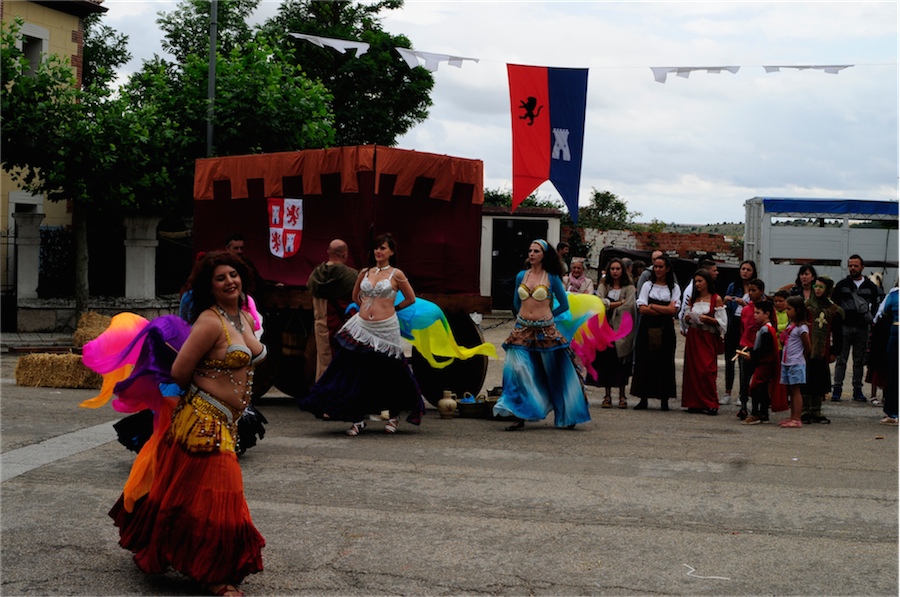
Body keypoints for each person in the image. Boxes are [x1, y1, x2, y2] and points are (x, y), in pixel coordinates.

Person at [109, 251, 267, 597]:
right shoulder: (209, 322)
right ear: (210, 287)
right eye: (220, 278)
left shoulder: (243, 317)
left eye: (233, 275)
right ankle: (212, 574)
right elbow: (180, 371)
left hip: (228, 420)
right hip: (203, 420)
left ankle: (186, 553)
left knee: (193, 494)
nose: (229, 282)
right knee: (221, 494)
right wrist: (206, 385)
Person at [298, 233, 424, 435]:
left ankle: (393, 416)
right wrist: (366, 306)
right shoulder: (365, 272)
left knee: (390, 372)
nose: (378, 251)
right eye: (376, 248)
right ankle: (357, 417)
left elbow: (411, 298)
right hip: (363, 326)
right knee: (355, 370)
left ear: (391, 252)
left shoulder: (396, 274)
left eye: (382, 248)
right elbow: (355, 296)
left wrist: (393, 309)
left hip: (386, 328)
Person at [493, 239, 590, 431]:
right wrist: (523, 317)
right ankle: (519, 414)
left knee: (557, 372)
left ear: (544, 255)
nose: (532, 254)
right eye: (530, 250)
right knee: (517, 369)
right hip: (522, 330)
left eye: (536, 251)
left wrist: (547, 316)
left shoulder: (551, 277)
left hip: (546, 331)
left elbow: (564, 305)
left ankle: (568, 414)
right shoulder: (521, 276)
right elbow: (516, 302)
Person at [631, 255, 681, 411]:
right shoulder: (647, 285)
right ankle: (643, 398)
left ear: (667, 269)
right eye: (656, 267)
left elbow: (673, 310)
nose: (658, 270)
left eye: (661, 267)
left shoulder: (674, 288)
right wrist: (663, 309)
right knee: (645, 360)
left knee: (664, 361)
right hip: (646, 327)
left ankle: (664, 399)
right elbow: (642, 308)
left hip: (665, 328)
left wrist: (653, 306)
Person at [831, 255, 881, 402]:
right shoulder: (842, 285)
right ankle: (837, 389)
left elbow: (877, 305)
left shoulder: (870, 287)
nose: (852, 268)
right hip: (844, 326)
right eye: (850, 265)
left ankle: (857, 390)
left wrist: (870, 318)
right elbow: (834, 305)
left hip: (862, 327)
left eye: (856, 265)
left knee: (859, 361)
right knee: (841, 360)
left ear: (862, 267)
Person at [307, 239, 359, 381]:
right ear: (345, 254)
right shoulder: (352, 276)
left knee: (324, 363)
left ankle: (323, 392)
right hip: (344, 329)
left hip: (321, 327)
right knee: (344, 366)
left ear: (328, 252)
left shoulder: (315, 276)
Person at [591, 257, 636, 409]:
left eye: (618, 269)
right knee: (606, 363)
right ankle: (607, 395)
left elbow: (629, 306)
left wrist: (610, 305)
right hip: (605, 330)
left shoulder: (629, 288)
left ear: (622, 270)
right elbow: (599, 303)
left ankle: (622, 395)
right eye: (612, 269)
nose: (615, 272)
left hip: (622, 331)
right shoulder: (604, 286)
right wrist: (618, 303)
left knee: (621, 363)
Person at [680, 269, 727, 416]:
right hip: (694, 336)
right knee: (692, 370)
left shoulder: (716, 299)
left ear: (707, 282)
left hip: (707, 337)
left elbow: (723, 323)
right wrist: (687, 319)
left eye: (700, 281)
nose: (697, 284)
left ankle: (711, 402)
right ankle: (694, 402)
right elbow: (685, 318)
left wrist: (709, 319)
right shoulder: (693, 299)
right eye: (696, 281)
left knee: (707, 370)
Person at [802, 276, 843, 424]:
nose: (818, 290)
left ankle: (816, 410)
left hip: (823, 351)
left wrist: (834, 351)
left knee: (819, 379)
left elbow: (838, 333)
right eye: (816, 287)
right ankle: (804, 410)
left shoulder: (834, 310)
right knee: (806, 378)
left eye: (821, 287)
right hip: (806, 350)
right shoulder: (806, 306)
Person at [721, 260, 758, 406]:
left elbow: (758, 307)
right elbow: (724, 306)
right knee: (730, 359)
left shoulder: (755, 287)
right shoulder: (733, 286)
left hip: (747, 326)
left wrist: (745, 304)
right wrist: (726, 300)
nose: (745, 272)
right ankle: (727, 392)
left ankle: (743, 393)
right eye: (743, 269)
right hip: (733, 323)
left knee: (744, 360)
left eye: (748, 269)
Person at [739, 300, 780, 425]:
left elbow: (764, 349)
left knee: (755, 387)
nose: (755, 315)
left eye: (758, 313)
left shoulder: (766, 330)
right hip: (765, 363)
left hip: (764, 364)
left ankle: (756, 413)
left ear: (766, 314)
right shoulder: (766, 329)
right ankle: (763, 413)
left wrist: (752, 355)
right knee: (762, 388)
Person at [734, 278, 767, 420]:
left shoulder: (767, 308)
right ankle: (743, 406)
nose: (751, 293)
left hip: (760, 348)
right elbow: (743, 328)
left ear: (762, 291)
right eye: (749, 291)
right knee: (744, 379)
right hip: (746, 346)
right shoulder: (746, 309)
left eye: (754, 290)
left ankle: (760, 408)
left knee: (761, 380)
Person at [779, 296, 811, 427]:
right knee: (790, 390)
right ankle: (792, 416)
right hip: (787, 361)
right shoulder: (790, 325)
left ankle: (797, 418)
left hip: (796, 362)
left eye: (789, 309)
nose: (786, 311)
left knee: (796, 390)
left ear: (797, 310)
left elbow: (808, 347)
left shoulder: (801, 328)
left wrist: (800, 356)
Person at [874, 283, 898, 425]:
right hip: (895, 337)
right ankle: (893, 412)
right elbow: (882, 314)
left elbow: (882, 314)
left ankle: (893, 412)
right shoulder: (894, 295)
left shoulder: (894, 295)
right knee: (894, 373)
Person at [678, 258, 719, 336]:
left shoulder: (713, 294)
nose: (717, 273)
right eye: (714, 271)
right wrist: (684, 328)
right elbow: (684, 310)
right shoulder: (691, 290)